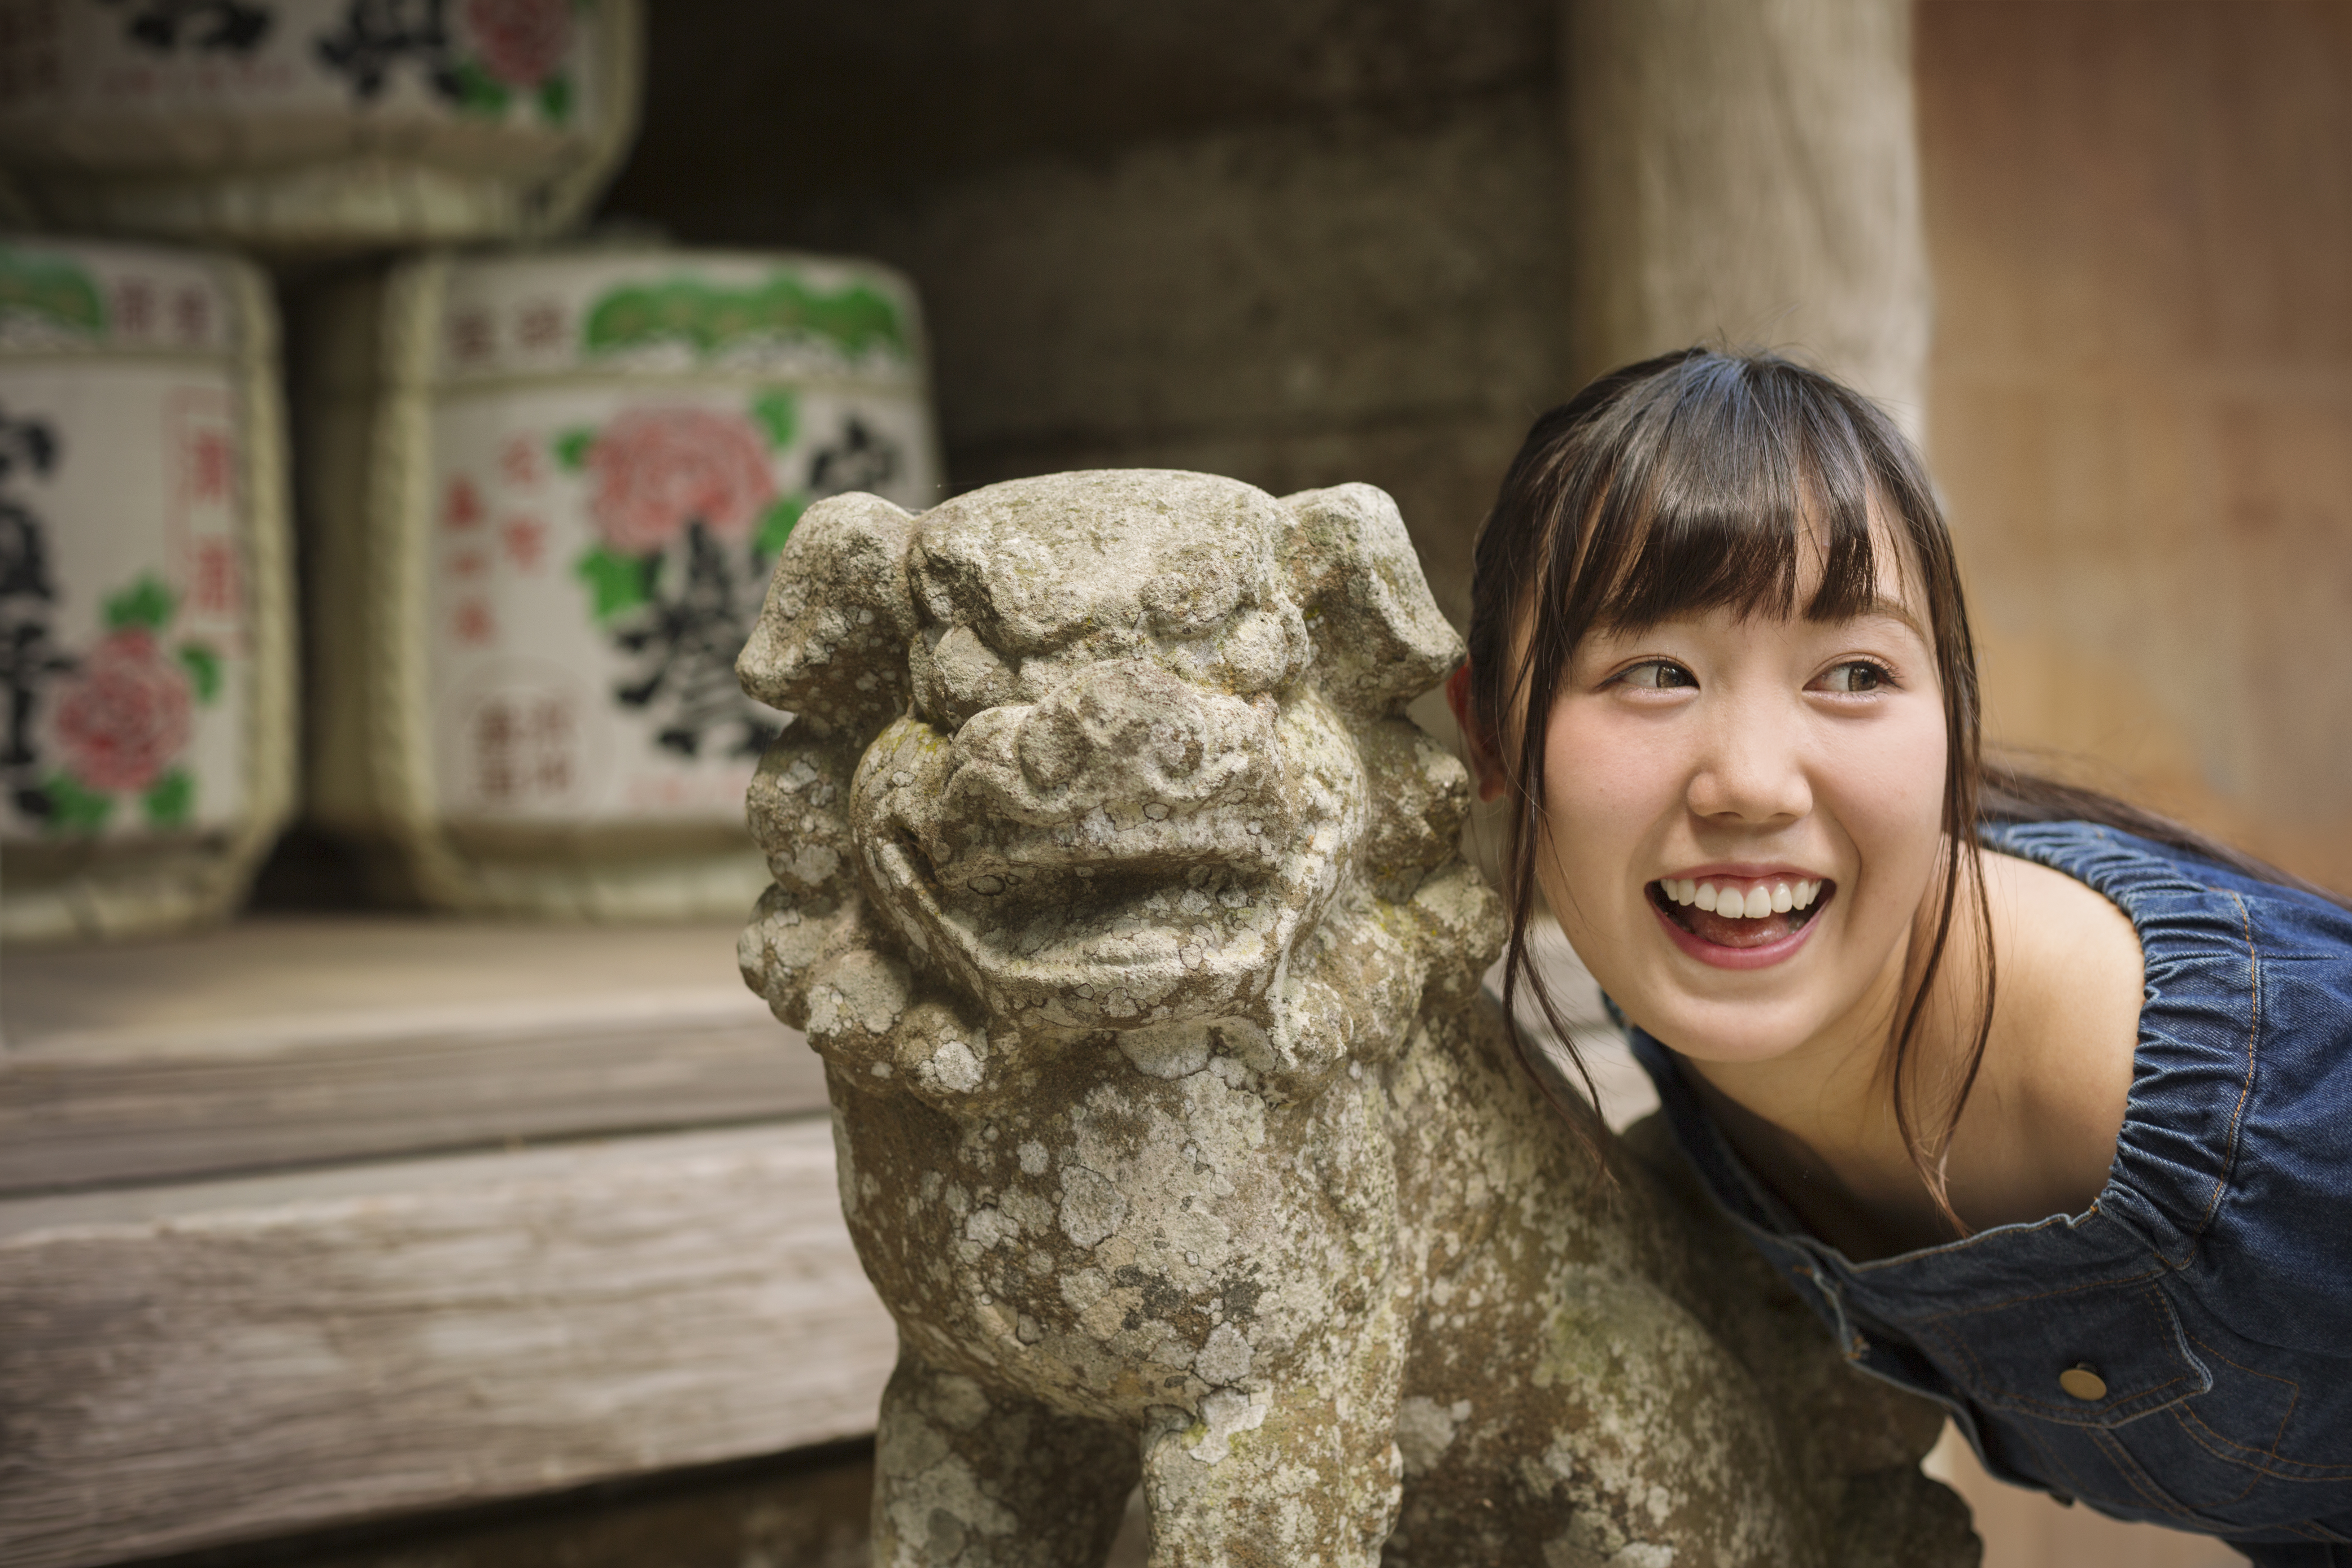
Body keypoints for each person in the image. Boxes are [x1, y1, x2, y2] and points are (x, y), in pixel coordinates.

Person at [1444, 347, 2352, 1566]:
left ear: (1949, 719)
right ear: (1489, 731)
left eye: (1854, 674)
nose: (1754, 785)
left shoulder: (2257, 1116)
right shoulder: (1688, 977)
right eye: (1654, 673)